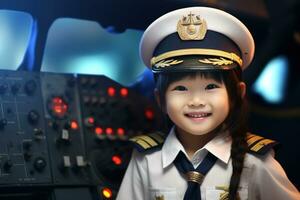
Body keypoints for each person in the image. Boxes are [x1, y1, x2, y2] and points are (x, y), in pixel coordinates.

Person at [116, 6, 300, 200]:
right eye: (181, 89)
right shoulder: (146, 160)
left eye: (211, 86)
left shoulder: (255, 162)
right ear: (160, 99)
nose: (196, 101)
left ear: (237, 94)